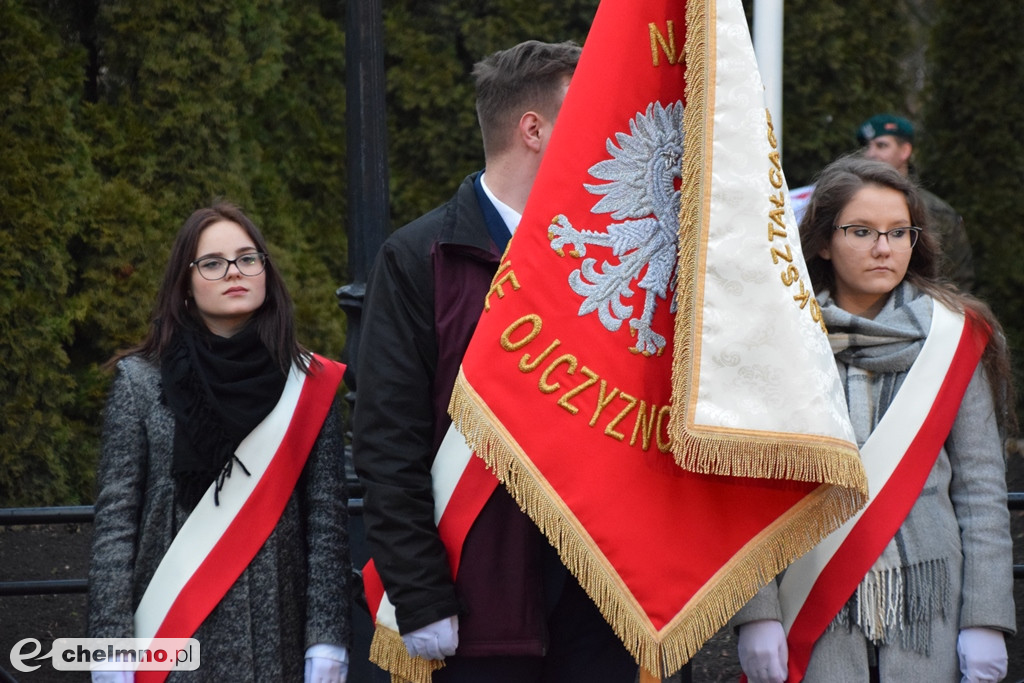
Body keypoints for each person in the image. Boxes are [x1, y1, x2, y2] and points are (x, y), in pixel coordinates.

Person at [352, 40, 639, 682]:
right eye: (589, 113)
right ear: (532, 129)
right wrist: (421, 594)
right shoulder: (421, 256)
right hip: (476, 600)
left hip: (606, 597)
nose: (609, 132)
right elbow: (388, 442)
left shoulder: (617, 256)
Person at [732, 156, 1016, 682]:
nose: (883, 248)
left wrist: (987, 619)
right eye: (861, 231)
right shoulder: (780, 341)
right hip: (809, 594)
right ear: (822, 241)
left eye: (898, 232)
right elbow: (749, 488)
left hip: (928, 603)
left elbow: (981, 492)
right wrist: (757, 612)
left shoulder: (954, 338)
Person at [88, 202, 351, 682]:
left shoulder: (310, 385)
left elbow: (327, 526)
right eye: (213, 263)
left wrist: (327, 639)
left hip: (278, 641)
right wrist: (110, 644)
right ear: (184, 287)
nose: (235, 272)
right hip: (171, 637)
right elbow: (115, 525)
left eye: (248, 259)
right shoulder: (140, 384)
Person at [857, 113, 975, 290]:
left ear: (905, 151)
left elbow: (958, 281)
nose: (871, 154)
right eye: (867, 146)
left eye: (881, 145)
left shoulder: (936, 212)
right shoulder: (850, 204)